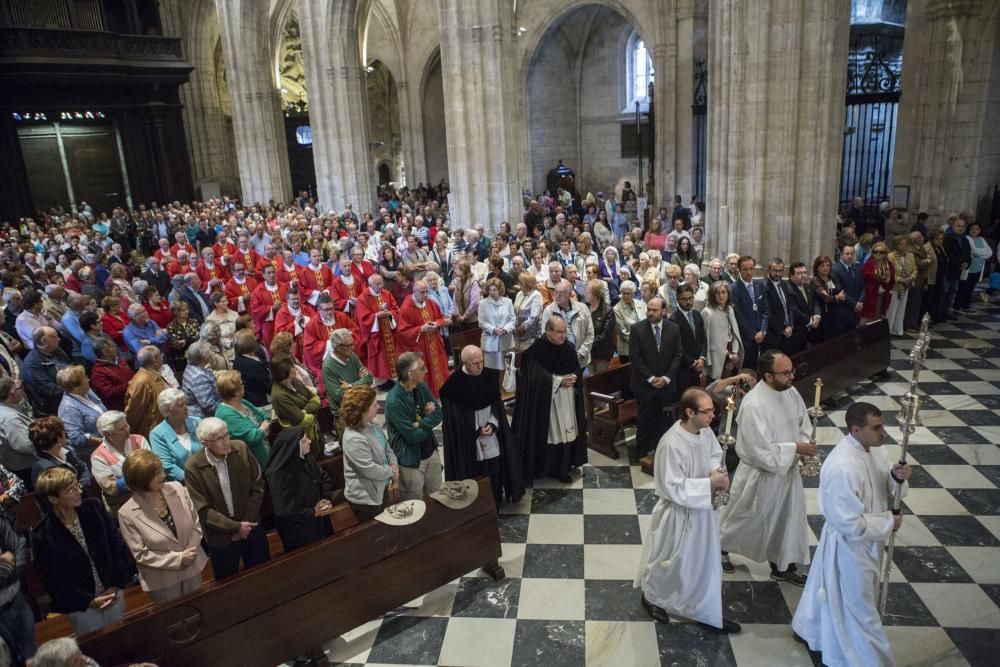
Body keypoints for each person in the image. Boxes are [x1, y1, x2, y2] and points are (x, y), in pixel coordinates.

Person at [792, 402, 912, 666]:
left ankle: (814, 632)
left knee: (830, 591)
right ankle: (868, 660)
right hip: (850, 546)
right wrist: (887, 522)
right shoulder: (842, 466)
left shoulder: (876, 450)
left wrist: (896, 476)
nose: (884, 432)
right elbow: (847, 522)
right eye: (877, 427)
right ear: (856, 430)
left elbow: (884, 487)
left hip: (866, 543)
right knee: (860, 607)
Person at [635, 388, 740, 633]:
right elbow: (672, 487)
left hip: (703, 511)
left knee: (702, 561)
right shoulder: (671, 443)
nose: (713, 416)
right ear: (689, 412)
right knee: (669, 561)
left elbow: (716, 455)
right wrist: (709, 483)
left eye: (713, 410)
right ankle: (652, 596)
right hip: (678, 514)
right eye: (707, 412)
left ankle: (702, 606)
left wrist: (719, 471)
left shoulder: (704, 433)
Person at [719, 350, 816, 586]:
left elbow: (804, 422)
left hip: (787, 472)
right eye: (785, 373)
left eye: (791, 371)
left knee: (787, 521)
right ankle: (718, 547)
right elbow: (758, 450)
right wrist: (795, 448)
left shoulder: (790, 392)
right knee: (745, 519)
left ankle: (783, 565)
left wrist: (802, 447)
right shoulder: (754, 405)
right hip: (760, 475)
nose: (791, 377)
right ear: (768, 376)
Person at [32, 467, 129, 639]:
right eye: (70, 490)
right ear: (53, 499)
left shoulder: (94, 508)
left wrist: (115, 585)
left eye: (77, 485)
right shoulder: (43, 534)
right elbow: (53, 579)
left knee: (125, 638)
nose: (79, 491)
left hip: (112, 591)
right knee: (97, 647)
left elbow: (116, 546)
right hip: (82, 606)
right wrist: (88, 601)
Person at [118, 449, 209, 604]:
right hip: (163, 579)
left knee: (201, 610)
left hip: (193, 566)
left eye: (160, 469)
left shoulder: (177, 488)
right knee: (174, 622)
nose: (162, 475)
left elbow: (196, 524)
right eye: (156, 474)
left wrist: (190, 553)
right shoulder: (126, 513)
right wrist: (178, 559)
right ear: (141, 480)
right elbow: (140, 554)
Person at [184, 417, 269, 581]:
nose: (226, 442)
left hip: (251, 527)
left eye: (227, 435)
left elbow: (257, 486)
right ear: (205, 442)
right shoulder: (193, 466)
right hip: (221, 537)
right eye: (219, 438)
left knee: (264, 576)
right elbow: (202, 508)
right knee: (229, 586)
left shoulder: (241, 448)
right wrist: (235, 527)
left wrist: (245, 524)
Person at [439, 346, 525, 508]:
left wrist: (493, 424)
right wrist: (476, 430)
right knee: (476, 474)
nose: (480, 366)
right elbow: (454, 420)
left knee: (495, 467)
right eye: (475, 363)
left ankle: (497, 501)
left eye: (481, 361)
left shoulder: (489, 376)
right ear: (464, 363)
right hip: (470, 441)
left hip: (492, 434)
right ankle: (480, 507)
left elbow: (497, 407)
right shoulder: (453, 386)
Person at [512, 315, 588, 483]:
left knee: (568, 433)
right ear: (548, 331)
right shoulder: (536, 350)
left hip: (567, 399)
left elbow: (576, 367)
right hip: (548, 401)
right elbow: (534, 377)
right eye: (559, 332)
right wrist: (558, 381)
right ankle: (547, 468)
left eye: (564, 332)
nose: (563, 335)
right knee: (553, 435)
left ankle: (565, 467)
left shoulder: (568, 347)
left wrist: (575, 377)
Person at [265, 426, 336, 552]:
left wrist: (326, 499)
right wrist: (313, 512)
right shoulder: (278, 474)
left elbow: (323, 478)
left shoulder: (307, 458)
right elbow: (285, 510)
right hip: (299, 528)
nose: (309, 441)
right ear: (293, 447)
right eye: (304, 441)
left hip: (319, 516)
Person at [384, 352, 443, 500]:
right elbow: (412, 436)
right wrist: (429, 420)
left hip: (430, 451)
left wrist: (422, 422)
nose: (426, 370)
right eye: (422, 368)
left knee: (436, 495)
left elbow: (439, 413)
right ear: (410, 374)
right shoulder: (394, 401)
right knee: (415, 501)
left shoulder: (421, 387)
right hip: (411, 460)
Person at [629, 297, 682, 456]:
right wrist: (651, 378)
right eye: (649, 309)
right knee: (645, 418)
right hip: (644, 384)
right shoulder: (637, 329)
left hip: (666, 384)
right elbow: (635, 357)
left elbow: (678, 355)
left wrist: (666, 378)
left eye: (655, 310)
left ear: (664, 311)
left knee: (663, 419)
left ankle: (661, 448)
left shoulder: (673, 328)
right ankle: (642, 449)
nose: (650, 313)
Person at [340, 386, 400, 521]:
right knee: (376, 534)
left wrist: (393, 462)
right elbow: (369, 469)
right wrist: (391, 471)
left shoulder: (371, 424)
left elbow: (386, 447)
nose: (378, 406)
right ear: (362, 411)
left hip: (380, 487)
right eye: (374, 404)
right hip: (365, 498)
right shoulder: (353, 438)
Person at [396, 280, 451, 397]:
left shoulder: (430, 302)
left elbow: (441, 318)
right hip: (420, 346)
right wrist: (420, 329)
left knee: (440, 367)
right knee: (425, 371)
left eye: (427, 292)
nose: (425, 295)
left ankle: (442, 391)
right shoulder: (406, 308)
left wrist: (436, 324)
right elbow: (402, 331)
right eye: (422, 292)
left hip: (435, 343)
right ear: (414, 291)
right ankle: (427, 395)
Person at [90, 410, 150, 517]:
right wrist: (141, 474)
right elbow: (111, 487)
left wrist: (124, 479)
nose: (127, 429)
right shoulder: (98, 457)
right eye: (122, 429)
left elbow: (153, 467)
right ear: (107, 434)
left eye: (126, 425)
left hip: (149, 498)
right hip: (123, 507)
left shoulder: (139, 440)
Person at [214, 370, 270, 469]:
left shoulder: (243, 402)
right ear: (235, 391)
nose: (244, 385)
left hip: (265, 451)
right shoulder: (225, 414)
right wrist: (263, 427)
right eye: (241, 383)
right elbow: (253, 437)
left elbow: (265, 416)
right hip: (253, 463)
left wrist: (261, 428)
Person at [149, 388, 203, 482]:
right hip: (183, 484)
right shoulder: (157, 434)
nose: (186, 407)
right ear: (168, 411)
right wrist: (194, 480)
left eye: (186, 403)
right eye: (181, 405)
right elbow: (167, 466)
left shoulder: (196, 422)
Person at [270, 356, 322, 453]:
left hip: (313, 433)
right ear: (286, 372)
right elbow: (304, 421)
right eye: (293, 366)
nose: (296, 368)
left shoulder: (295, 381)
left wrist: (305, 410)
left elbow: (316, 399)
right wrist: (313, 413)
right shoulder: (280, 396)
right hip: (299, 440)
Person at [356, 274, 400, 387]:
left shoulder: (387, 293)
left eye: (381, 283)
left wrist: (389, 314)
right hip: (376, 335)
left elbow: (396, 309)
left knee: (393, 355)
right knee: (380, 359)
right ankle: (382, 381)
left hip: (389, 332)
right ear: (370, 284)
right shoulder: (363, 298)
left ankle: (393, 378)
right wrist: (376, 316)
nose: (381, 286)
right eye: (377, 284)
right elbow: (363, 318)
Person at [540, 280, 594, 370]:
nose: (557, 295)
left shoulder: (582, 308)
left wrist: (580, 353)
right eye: (556, 292)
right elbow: (546, 337)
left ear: (569, 295)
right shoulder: (548, 311)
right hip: (559, 360)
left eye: (561, 293)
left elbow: (590, 333)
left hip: (581, 358)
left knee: (580, 382)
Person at [56, 365, 107, 461]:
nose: (88, 379)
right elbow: (77, 438)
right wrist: (104, 441)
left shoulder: (87, 391)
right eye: (84, 378)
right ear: (75, 386)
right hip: (94, 455)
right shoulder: (68, 408)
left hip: (107, 446)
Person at [729, 256, 770, 370]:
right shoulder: (734, 288)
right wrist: (753, 335)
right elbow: (738, 316)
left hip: (761, 335)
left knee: (758, 368)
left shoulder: (760, 285)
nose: (749, 272)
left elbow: (765, 310)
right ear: (739, 270)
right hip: (746, 338)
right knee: (746, 369)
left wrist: (763, 331)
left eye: (751, 269)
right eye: (745, 269)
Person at [30, 416, 93, 490]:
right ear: (58, 439)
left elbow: (82, 466)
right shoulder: (47, 468)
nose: (66, 435)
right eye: (64, 433)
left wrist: (82, 485)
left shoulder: (65, 451)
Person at [21, 326, 70, 416]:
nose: (59, 339)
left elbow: (70, 366)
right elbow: (49, 390)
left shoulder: (56, 350)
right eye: (55, 336)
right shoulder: (31, 364)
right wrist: (74, 389)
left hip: (69, 394)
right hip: (55, 407)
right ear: (43, 342)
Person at [124, 345, 169, 438]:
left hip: (162, 426)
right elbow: (133, 413)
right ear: (155, 360)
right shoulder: (142, 381)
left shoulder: (153, 374)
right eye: (161, 356)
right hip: (151, 432)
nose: (162, 358)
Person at [701, 282, 743, 381]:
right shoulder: (707, 312)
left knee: (729, 385)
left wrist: (735, 352)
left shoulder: (730, 309)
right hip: (716, 356)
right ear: (712, 295)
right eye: (717, 293)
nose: (721, 296)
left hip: (732, 352)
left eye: (724, 292)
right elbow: (705, 338)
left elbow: (734, 332)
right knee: (715, 386)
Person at [476, 277, 515, 372]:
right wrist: (494, 329)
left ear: (500, 290)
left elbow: (513, 319)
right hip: (490, 342)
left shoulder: (508, 302)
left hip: (506, 341)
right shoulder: (482, 303)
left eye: (494, 290)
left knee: (507, 371)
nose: (492, 292)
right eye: (490, 290)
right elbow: (481, 322)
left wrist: (505, 329)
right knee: (491, 371)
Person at [0, 378, 34, 486]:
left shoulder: (7, 410)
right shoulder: (10, 418)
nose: (22, 391)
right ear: (12, 393)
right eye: (19, 388)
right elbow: (26, 445)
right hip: (26, 469)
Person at [785, 261, 821, 354]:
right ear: (791, 275)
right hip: (796, 332)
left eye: (805, 273)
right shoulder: (788, 288)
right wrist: (810, 321)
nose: (803, 275)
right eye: (799, 273)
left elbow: (815, 302)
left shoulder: (807, 286)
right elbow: (794, 310)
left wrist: (817, 315)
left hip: (808, 332)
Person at [90, 336, 133, 411]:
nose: (115, 348)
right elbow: (108, 392)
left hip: (133, 397)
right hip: (122, 406)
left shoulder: (120, 360)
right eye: (112, 347)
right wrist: (129, 385)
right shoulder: (97, 372)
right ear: (104, 352)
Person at [182, 341, 222, 418]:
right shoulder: (199, 377)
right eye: (209, 352)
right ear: (203, 357)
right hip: (203, 418)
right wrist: (227, 407)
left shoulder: (190, 366)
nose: (211, 354)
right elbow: (208, 406)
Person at [232, 329, 271, 408]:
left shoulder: (239, 358)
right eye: (253, 337)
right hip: (259, 403)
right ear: (249, 343)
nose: (256, 339)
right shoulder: (251, 365)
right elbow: (267, 384)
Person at [886, 235, 915, 335]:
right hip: (895, 286)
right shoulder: (891, 256)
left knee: (901, 309)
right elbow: (890, 272)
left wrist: (910, 278)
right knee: (892, 309)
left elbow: (914, 270)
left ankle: (897, 329)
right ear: (896, 245)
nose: (903, 246)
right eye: (901, 244)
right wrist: (901, 279)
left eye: (905, 244)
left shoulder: (910, 255)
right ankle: (888, 330)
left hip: (906, 286)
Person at [613, 280, 646, 364]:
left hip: (644, 347)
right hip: (627, 350)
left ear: (633, 294)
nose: (625, 296)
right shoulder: (617, 309)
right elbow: (623, 332)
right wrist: (639, 343)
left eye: (628, 293)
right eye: (623, 293)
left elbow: (647, 323)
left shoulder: (641, 304)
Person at [586, 279, 616, 374]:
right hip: (588, 353)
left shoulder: (608, 310)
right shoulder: (584, 307)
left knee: (601, 381)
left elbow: (605, 336)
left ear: (595, 295)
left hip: (602, 353)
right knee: (591, 380)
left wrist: (587, 343)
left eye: (587, 292)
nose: (584, 294)